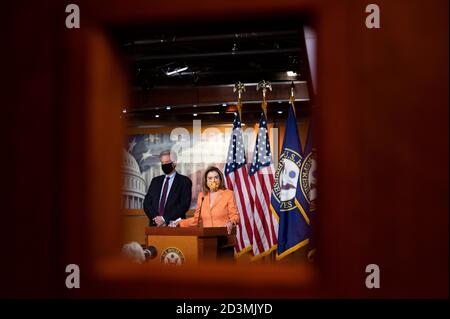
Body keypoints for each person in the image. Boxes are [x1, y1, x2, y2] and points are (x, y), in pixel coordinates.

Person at [169, 166, 239, 235]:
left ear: (220, 179)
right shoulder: (202, 196)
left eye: (216, 177)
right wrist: (179, 223)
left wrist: (231, 222)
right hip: (207, 238)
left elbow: (235, 216)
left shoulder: (228, 194)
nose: (213, 180)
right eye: (210, 178)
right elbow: (196, 220)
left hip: (224, 236)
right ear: (206, 180)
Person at [143, 150, 192, 226]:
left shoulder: (184, 181)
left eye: (167, 162)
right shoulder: (155, 181)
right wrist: (156, 218)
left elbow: (184, 205)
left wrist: (164, 219)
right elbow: (147, 203)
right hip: (155, 225)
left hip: (174, 226)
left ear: (174, 163)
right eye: (162, 163)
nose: (164, 165)